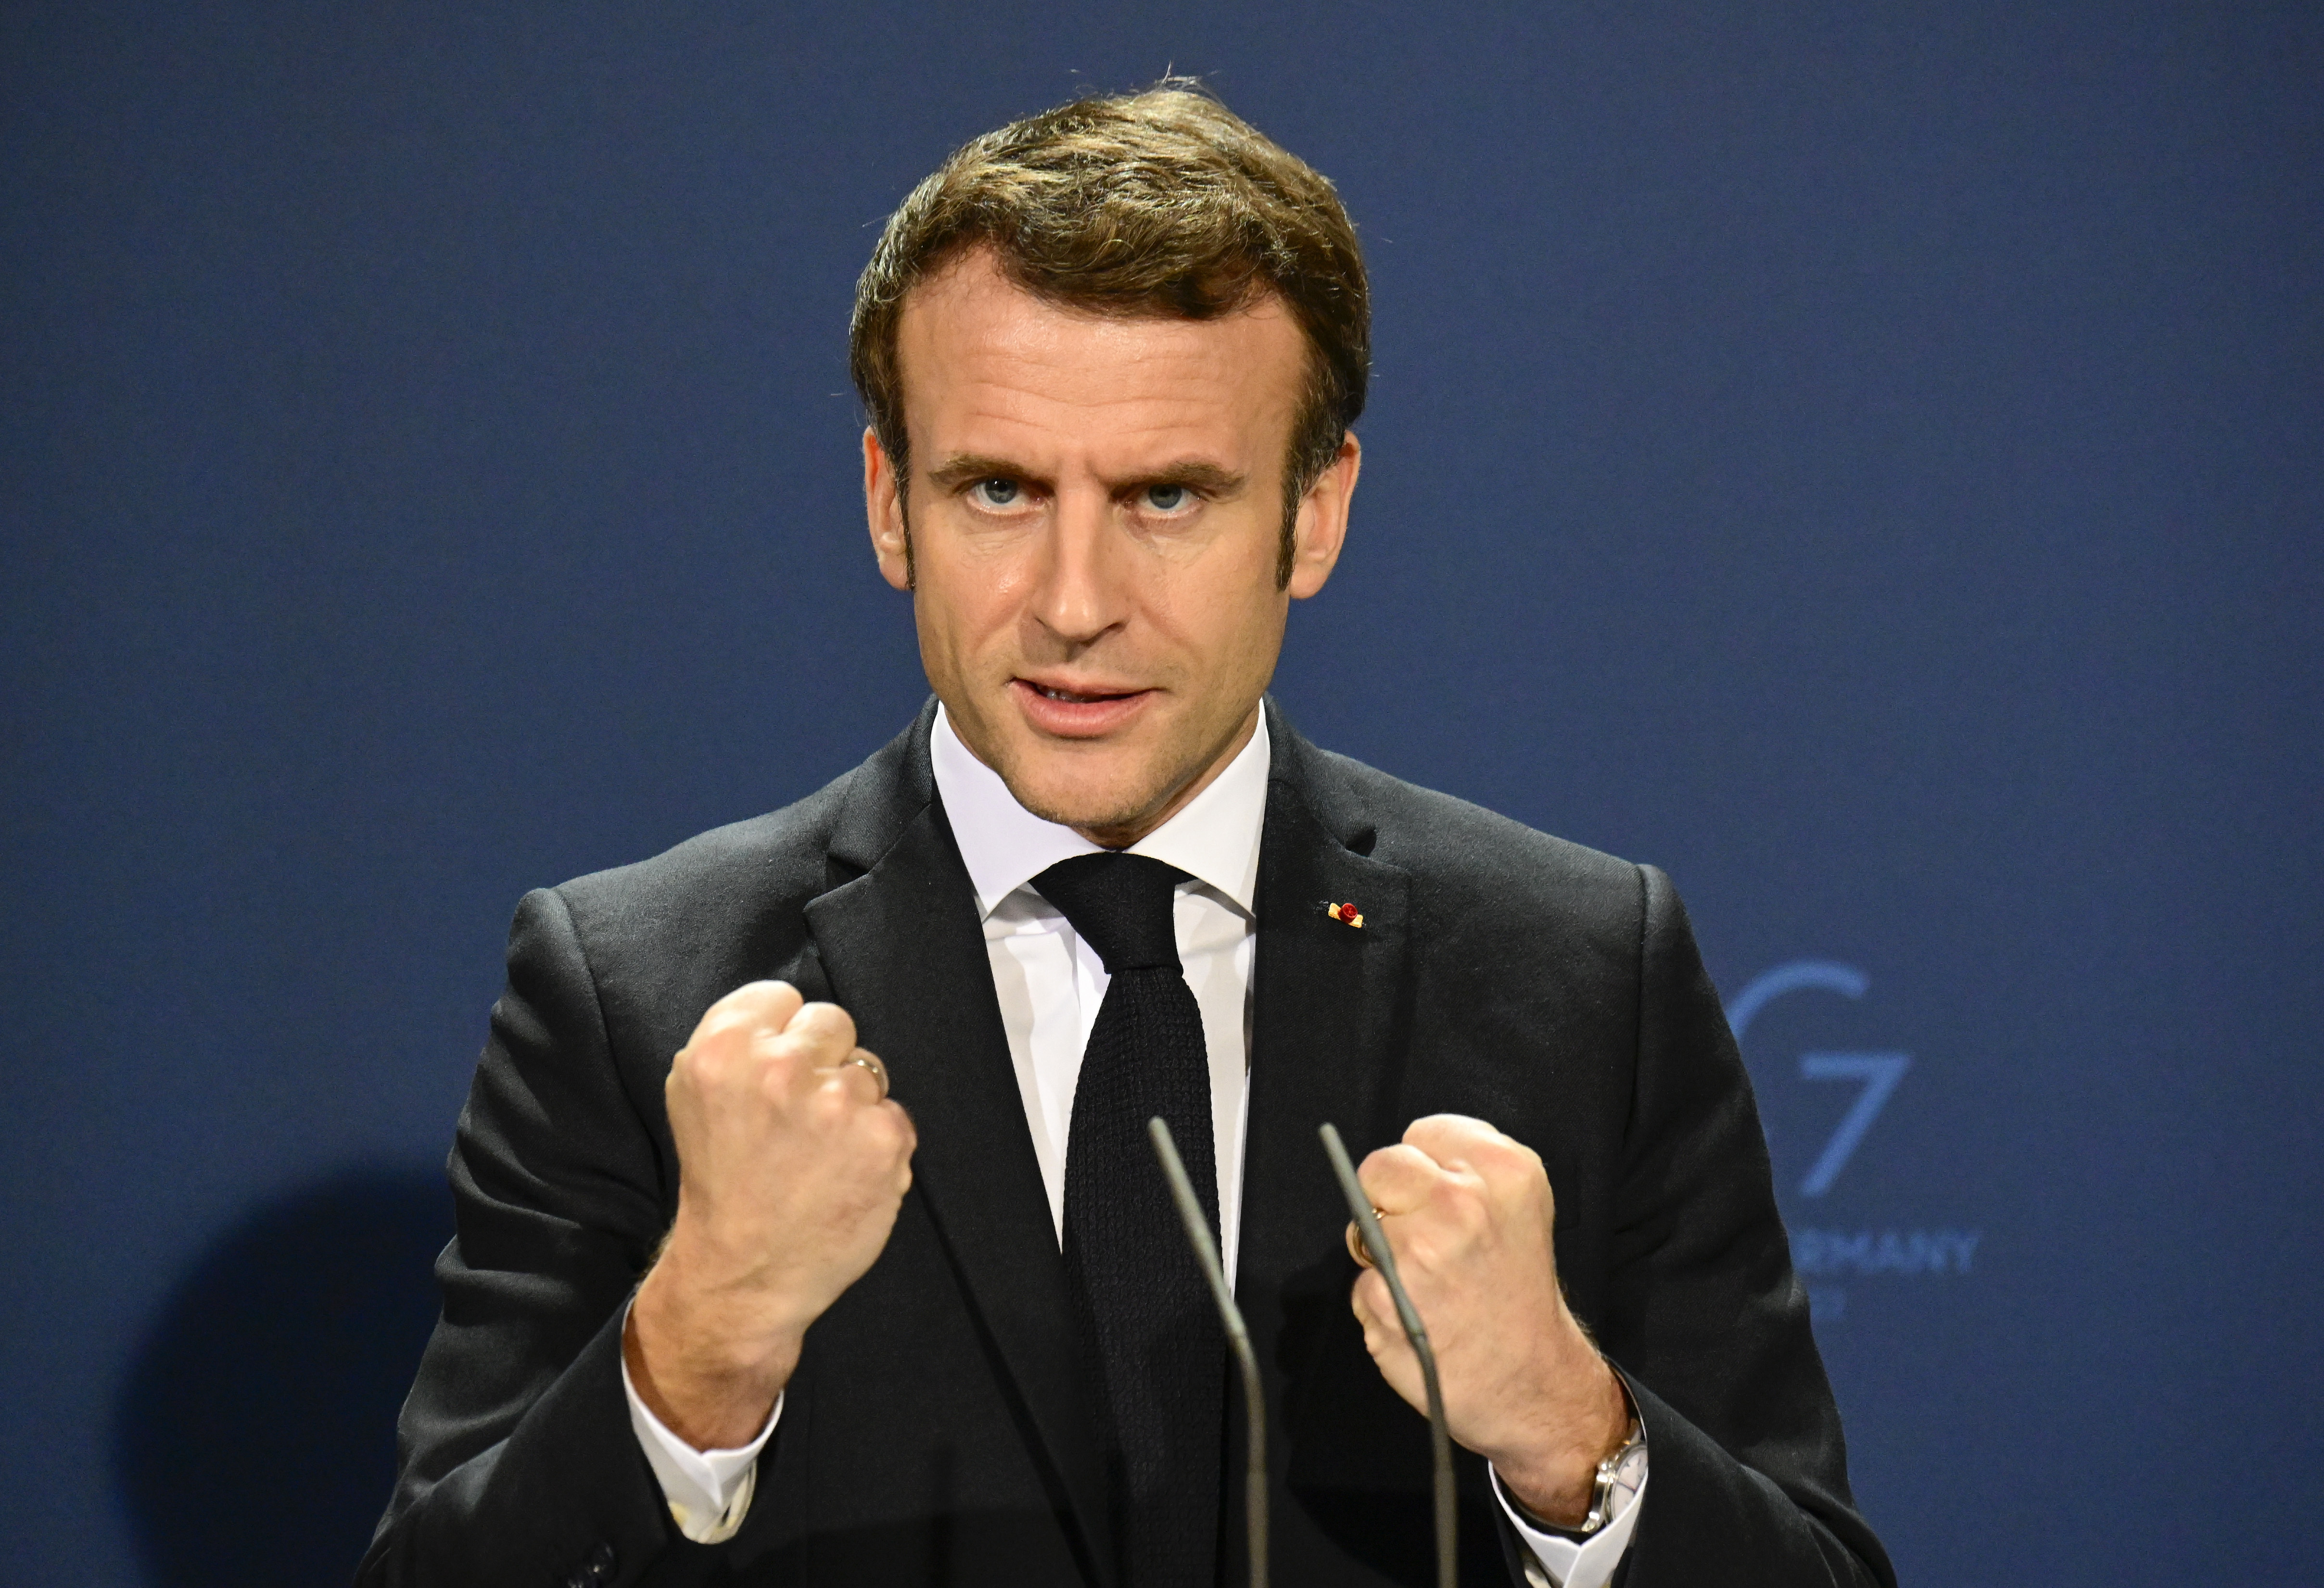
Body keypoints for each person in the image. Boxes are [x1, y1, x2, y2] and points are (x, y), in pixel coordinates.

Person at [359, 85, 1892, 1588]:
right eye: (1000, 489)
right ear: (891, 502)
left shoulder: (1581, 969)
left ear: (1315, 513)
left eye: (1167, 496)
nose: (1076, 600)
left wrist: (1572, 1428)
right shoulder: (635, 987)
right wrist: (694, 1344)